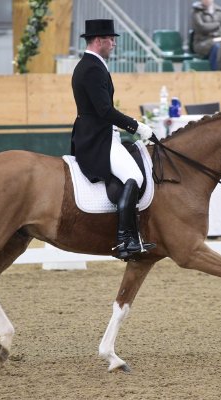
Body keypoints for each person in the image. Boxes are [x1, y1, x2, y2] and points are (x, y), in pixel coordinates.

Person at [71, 19, 155, 260]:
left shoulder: (93, 65)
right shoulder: (91, 68)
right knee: (134, 176)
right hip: (96, 139)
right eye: (111, 39)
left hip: (102, 133)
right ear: (99, 41)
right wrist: (137, 127)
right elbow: (105, 111)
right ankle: (125, 239)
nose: (114, 43)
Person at [191, 0, 221, 71]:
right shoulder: (196, 12)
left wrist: (219, 35)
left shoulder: (219, 11)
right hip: (203, 42)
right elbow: (201, 27)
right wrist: (217, 24)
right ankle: (216, 72)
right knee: (217, 48)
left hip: (219, 39)